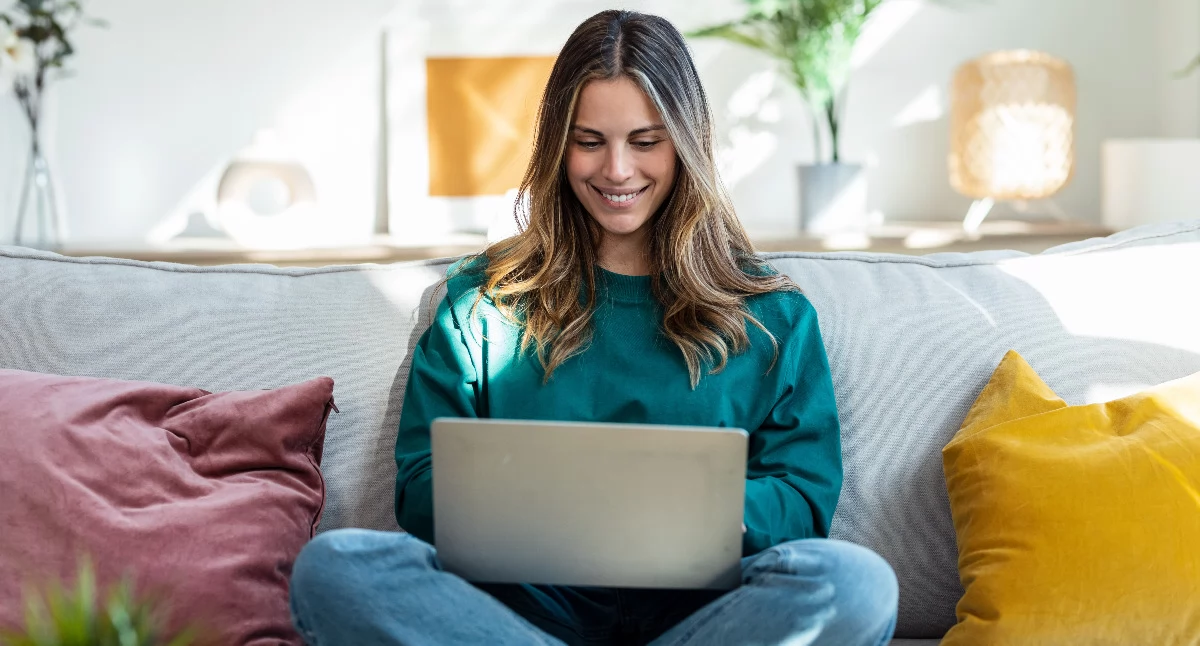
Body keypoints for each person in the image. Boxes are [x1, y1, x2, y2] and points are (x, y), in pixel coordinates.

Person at [288, 9, 898, 646]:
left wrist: (666, 511)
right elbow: (420, 486)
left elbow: (803, 501)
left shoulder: (773, 314)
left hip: (703, 617)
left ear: (686, 142)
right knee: (336, 569)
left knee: (855, 584)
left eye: (644, 141)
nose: (616, 170)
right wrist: (556, 508)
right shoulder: (481, 300)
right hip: (518, 615)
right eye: (588, 141)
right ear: (557, 143)